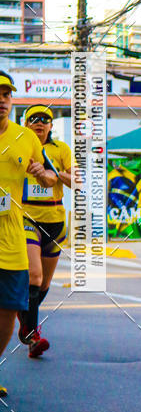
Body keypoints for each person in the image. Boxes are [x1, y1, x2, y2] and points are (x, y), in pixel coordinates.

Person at [0, 73, 57, 395]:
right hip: (25, 227)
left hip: (11, 233)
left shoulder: (25, 138)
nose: (1, 99)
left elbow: (49, 176)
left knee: (9, 307)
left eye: (6, 94)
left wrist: (42, 174)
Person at [19, 105, 73, 358]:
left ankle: (23, 319)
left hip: (55, 220)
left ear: (51, 125)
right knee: (34, 276)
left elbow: (78, 182)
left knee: (44, 284)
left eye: (45, 119)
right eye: (33, 119)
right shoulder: (18, 146)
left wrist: (56, 173)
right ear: (25, 123)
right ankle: (32, 335)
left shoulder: (61, 149)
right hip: (26, 218)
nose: (39, 123)